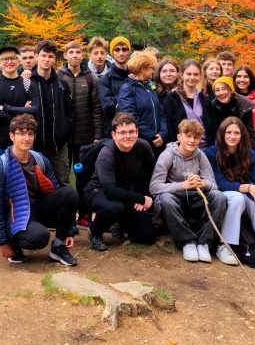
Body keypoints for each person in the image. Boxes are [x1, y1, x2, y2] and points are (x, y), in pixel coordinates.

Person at [0, 114, 79, 266]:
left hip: (38, 207)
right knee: (40, 237)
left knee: (69, 193)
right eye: (21, 133)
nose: (26, 138)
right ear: (11, 136)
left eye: (30, 134)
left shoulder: (40, 159)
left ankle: (59, 247)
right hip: (15, 215)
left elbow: (55, 191)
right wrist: (2, 242)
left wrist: (67, 230)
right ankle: (14, 245)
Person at [150, 119, 229, 263]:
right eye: (188, 136)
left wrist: (202, 183)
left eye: (196, 137)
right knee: (166, 200)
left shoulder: (200, 155)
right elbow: (154, 187)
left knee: (219, 197)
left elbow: (213, 185)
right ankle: (187, 241)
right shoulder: (168, 155)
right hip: (173, 197)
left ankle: (204, 242)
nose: (192, 141)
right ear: (179, 137)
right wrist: (183, 185)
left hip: (195, 197)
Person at [205, 117, 255, 268]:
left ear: (242, 135)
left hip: (243, 190)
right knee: (237, 198)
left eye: (236, 133)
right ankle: (225, 245)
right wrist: (249, 188)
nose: (232, 136)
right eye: (228, 132)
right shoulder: (211, 153)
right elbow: (219, 183)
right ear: (222, 134)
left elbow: (250, 179)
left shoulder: (249, 153)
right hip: (222, 193)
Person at [86, 112, 157, 251]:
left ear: (137, 132)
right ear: (114, 135)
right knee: (114, 208)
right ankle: (95, 231)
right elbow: (110, 191)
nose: (128, 136)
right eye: (122, 132)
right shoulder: (107, 153)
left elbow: (149, 173)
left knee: (147, 237)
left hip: (126, 191)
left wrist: (143, 195)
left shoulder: (143, 146)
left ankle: (118, 223)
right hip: (99, 191)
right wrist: (141, 198)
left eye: (131, 132)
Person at [30, 40, 75, 186]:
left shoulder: (62, 84)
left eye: (50, 56)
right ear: (37, 57)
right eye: (43, 55)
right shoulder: (27, 82)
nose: (46, 59)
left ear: (55, 59)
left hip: (58, 146)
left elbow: (71, 111)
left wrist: (65, 131)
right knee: (35, 185)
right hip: (33, 144)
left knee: (62, 183)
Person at [58, 39, 103, 186]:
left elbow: (96, 108)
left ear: (82, 55)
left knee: (83, 175)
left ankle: (84, 208)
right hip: (64, 136)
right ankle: (67, 206)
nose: (74, 55)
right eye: (71, 52)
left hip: (85, 136)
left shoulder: (90, 78)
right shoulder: (58, 77)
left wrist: (97, 135)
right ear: (65, 55)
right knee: (63, 174)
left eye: (78, 52)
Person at [0, 45, 38, 160]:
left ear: (18, 61)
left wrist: (5, 108)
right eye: (5, 59)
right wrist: (22, 112)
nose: (9, 62)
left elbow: (34, 110)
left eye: (12, 58)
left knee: (24, 176)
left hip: (23, 140)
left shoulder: (27, 84)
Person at [116, 50, 167, 152]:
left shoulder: (150, 86)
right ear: (143, 68)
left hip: (158, 141)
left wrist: (162, 133)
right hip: (140, 143)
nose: (154, 71)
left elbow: (160, 112)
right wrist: (152, 137)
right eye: (152, 68)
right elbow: (131, 118)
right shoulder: (127, 89)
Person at [201, 76, 255, 153]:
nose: (221, 92)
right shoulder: (213, 106)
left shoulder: (244, 105)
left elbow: (249, 132)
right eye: (217, 90)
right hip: (222, 145)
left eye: (224, 89)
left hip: (243, 143)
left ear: (231, 90)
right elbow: (214, 131)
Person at [96, 36, 131, 136]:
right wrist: (129, 96)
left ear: (128, 52)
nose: (121, 53)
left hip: (135, 129)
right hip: (114, 130)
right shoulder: (105, 79)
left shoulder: (135, 76)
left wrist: (115, 98)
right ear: (112, 52)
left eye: (124, 49)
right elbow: (107, 106)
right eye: (117, 49)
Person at [164, 59, 203, 145]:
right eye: (188, 74)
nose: (192, 77)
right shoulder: (172, 97)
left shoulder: (204, 96)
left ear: (200, 76)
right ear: (182, 75)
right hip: (182, 148)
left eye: (196, 74)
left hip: (204, 147)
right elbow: (169, 126)